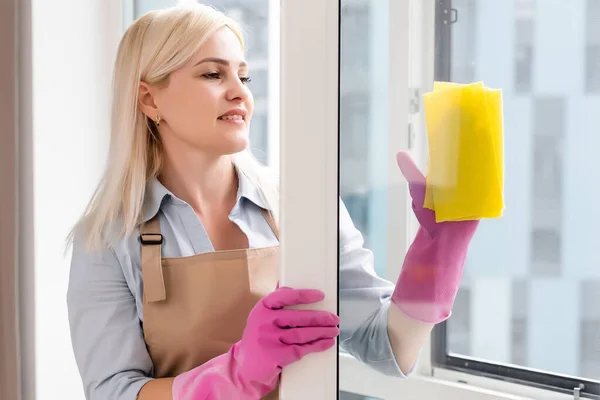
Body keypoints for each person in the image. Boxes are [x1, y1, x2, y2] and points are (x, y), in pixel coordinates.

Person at [66, 3, 480, 400]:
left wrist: (438, 251)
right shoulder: (108, 239)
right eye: (213, 74)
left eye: (244, 78)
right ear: (149, 100)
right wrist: (241, 371)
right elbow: (112, 392)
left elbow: (387, 345)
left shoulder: (303, 209)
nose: (239, 94)